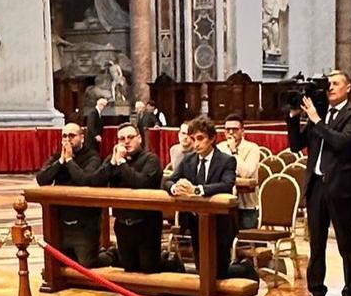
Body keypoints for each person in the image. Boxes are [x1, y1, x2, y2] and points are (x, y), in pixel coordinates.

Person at [286, 70, 351, 296]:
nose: (330, 88)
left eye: (335, 83)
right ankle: (317, 294)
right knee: (316, 245)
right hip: (317, 186)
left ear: (348, 87)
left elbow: (342, 142)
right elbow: (296, 145)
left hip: (341, 188)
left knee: (346, 244)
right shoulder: (318, 115)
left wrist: (316, 120)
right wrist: (293, 116)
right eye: (328, 84)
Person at [166, 116, 238, 278]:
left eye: (200, 138)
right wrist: (175, 188)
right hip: (195, 221)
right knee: (201, 267)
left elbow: (227, 184)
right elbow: (169, 180)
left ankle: (244, 269)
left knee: (219, 270)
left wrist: (197, 190)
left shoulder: (226, 160)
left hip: (219, 222)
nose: (196, 143)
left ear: (212, 138)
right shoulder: (189, 159)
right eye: (193, 139)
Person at [91, 124, 164, 273]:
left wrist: (122, 163)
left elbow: (140, 183)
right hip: (122, 223)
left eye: (130, 137)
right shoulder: (114, 160)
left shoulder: (151, 159)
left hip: (146, 224)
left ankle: (172, 262)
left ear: (140, 139)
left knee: (148, 268)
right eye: (121, 139)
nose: (126, 142)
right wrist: (112, 162)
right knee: (129, 269)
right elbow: (95, 182)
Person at [35, 123, 103, 267]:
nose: (67, 140)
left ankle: (110, 254)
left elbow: (84, 180)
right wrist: (60, 161)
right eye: (64, 136)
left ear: (82, 138)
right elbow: (41, 179)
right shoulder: (58, 156)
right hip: (61, 221)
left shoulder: (93, 156)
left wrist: (70, 161)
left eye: (72, 136)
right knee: (61, 264)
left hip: (84, 223)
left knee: (87, 264)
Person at [217, 114, 262, 229]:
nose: (231, 132)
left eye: (235, 129)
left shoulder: (252, 148)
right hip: (224, 203)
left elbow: (246, 173)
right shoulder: (219, 148)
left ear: (242, 131)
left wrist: (233, 151)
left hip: (247, 205)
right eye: (228, 130)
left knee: (246, 242)